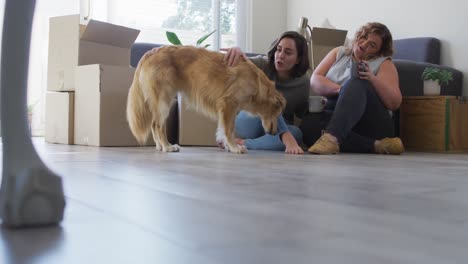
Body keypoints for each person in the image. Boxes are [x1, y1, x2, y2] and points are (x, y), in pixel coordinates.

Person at [306, 22, 405, 155]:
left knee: (357, 82)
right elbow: (315, 79)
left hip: (370, 122)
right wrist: (342, 91)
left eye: (372, 45)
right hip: (338, 117)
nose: (364, 45)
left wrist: (371, 78)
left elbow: (394, 103)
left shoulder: (384, 63)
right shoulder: (339, 52)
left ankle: (331, 138)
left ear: (379, 51)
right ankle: (376, 146)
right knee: (307, 128)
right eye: (364, 37)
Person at [223, 31, 310, 154]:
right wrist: (236, 50)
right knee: (268, 99)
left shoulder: (303, 82)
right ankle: (284, 137)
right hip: (250, 121)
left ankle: (244, 143)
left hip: (273, 130)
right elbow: (238, 61)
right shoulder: (262, 64)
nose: (280, 55)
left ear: (298, 59)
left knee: (296, 133)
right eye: (278, 50)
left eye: (288, 52)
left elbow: (301, 113)